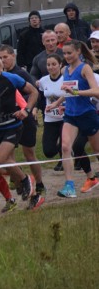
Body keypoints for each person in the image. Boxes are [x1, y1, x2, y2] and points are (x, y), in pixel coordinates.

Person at [0, 52, 41, 211]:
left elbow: (34, 92)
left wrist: (26, 110)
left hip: (14, 126)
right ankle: (32, 193)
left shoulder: (11, 78)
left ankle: (26, 180)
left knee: (1, 158)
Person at [0, 45, 46, 195]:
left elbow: (34, 92)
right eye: (0, 57)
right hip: (10, 121)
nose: (2, 60)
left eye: (5, 57)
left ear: (13, 56)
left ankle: (39, 184)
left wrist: (30, 108)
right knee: (7, 156)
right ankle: (20, 181)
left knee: (29, 154)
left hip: (25, 119)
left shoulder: (20, 74)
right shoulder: (0, 76)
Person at [57, 40, 99, 198]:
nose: (66, 56)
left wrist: (76, 93)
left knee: (97, 151)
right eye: (64, 53)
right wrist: (57, 102)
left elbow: (96, 91)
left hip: (87, 114)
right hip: (70, 115)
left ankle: (92, 179)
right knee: (66, 147)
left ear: (78, 52)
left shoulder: (85, 68)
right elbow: (67, 91)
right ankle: (69, 186)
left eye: (69, 53)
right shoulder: (64, 71)